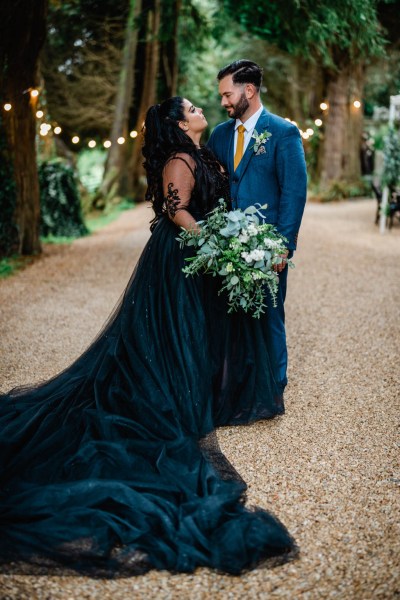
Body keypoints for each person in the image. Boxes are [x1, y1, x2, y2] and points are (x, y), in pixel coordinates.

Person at [0, 97, 295, 576]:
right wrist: (215, 246)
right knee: (172, 335)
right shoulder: (180, 160)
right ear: (180, 122)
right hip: (178, 262)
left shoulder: (204, 154)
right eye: (194, 107)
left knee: (196, 334)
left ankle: (198, 391)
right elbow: (176, 210)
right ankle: (169, 398)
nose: (203, 108)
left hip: (198, 256)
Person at [208, 60, 307, 400]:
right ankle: (237, 384)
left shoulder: (283, 132)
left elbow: (294, 191)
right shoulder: (219, 135)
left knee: (269, 313)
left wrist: (282, 244)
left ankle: (273, 387)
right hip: (226, 245)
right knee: (228, 315)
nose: (223, 102)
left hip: (265, 244)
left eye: (227, 94)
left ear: (248, 90)